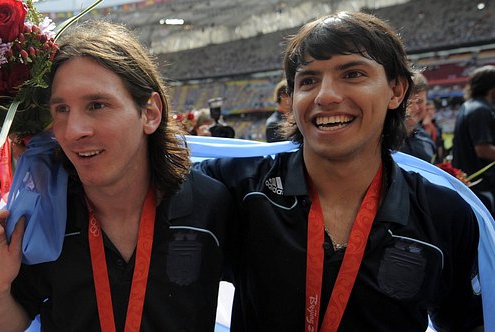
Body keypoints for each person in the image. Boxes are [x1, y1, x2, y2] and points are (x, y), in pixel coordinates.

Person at [196, 11, 484, 331]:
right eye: (308, 80)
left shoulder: (445, 213)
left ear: (397, 90)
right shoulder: (237, 186)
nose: (326, 95)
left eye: (352, 74)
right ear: (292, 99)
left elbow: (467, 324)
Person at [0, 19, 232, 331]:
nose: (73, 131)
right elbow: (19, 323)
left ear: (150, 113)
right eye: (61, 110)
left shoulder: (212, 204)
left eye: (97, 105)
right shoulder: (39, 219)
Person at [452, 65, 495, 216]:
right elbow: (483, 149)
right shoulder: (481, 110)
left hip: (472, 185)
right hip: (481, 186)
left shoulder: (469, 106)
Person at [399, 72, 437, 163]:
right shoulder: (380, 141)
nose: (414, 108)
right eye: (408, 102)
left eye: (419, 101)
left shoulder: (427, 140)